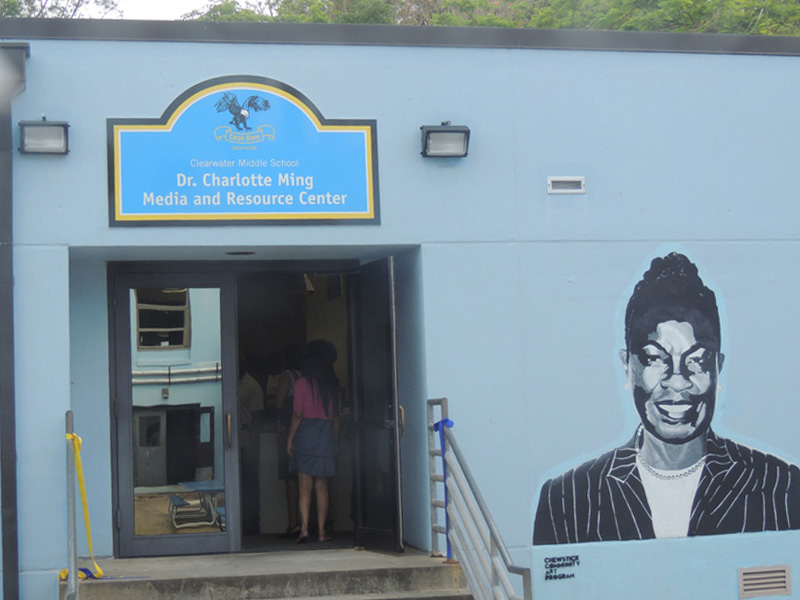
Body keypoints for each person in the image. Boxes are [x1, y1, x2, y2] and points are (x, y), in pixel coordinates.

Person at [533, 252, 800, 545]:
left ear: (718, 368)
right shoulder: (566, 499)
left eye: (696, 360)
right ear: (627, 366)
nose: (677, 381)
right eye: (655, 358)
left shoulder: (782, 486)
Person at [287, 339, 341, 543]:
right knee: (322, 487)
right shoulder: (332, 386)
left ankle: (304, 530)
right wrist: (335, 442)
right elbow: (336, 419)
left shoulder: (301, 384)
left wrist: (290, 439)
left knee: (304, 486)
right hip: (325, 436)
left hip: (305, 435)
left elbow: (297, 415)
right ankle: (322, 532)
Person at [274, 344, 303, 539]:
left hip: (289, 429)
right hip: (306, 430)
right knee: (306, 477)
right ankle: (308, 522)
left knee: (290, 478)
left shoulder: (287, 375)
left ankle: (293, 523)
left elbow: (279, 402)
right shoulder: (307, 376)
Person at [238, 354, 264, 536]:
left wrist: (252, 446)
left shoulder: (252, 385)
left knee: (249, 484)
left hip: (247, 436)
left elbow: (257, 417)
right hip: (231, 438)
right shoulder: (227, 381)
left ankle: (252, 526)